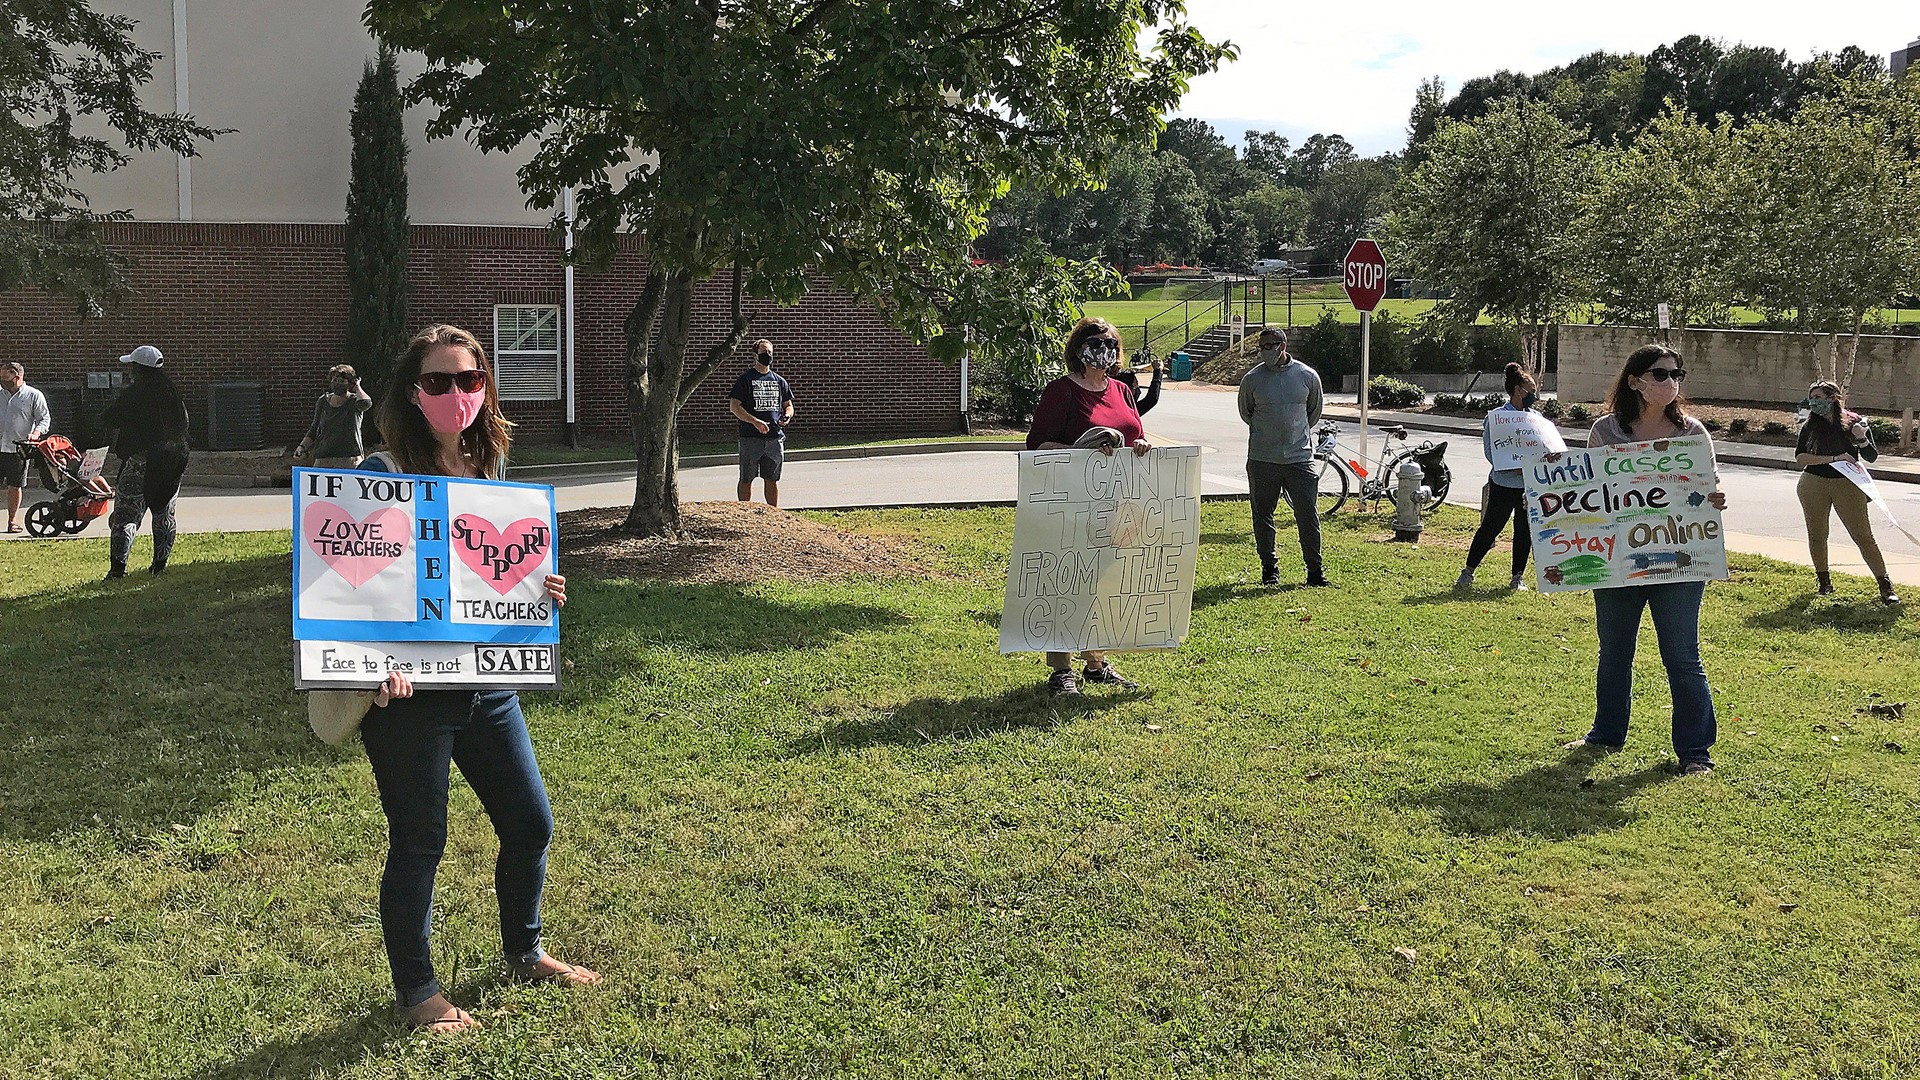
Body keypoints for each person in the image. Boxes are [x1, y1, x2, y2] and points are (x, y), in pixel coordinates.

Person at [354, 324, 600, 1035]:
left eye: (469, 380)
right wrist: (370, 668)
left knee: (530, 822)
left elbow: (491, 577)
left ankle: (524, 950)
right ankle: (419, 992)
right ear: (413, 391)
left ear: (484, 389)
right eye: (439, 381)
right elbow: (349, 584)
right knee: (420, 841)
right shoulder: (381, 470)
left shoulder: (489, 475)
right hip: (407, 697)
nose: (456, 395)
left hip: (486, 682)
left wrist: (538, 592)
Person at [1565, 344, 1727, 775]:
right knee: (1614, 651)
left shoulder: (1693, 433)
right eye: (1661, 374)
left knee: (1682, 656)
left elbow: (1706, 488)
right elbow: (1591, 496)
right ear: (1635, 380)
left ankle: (1695, 752)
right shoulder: (1605, 432)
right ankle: (1606, 733)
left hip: (1682, 561)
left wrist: (1714, 499)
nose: (1671, 382)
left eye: (1677, 373)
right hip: (1620, 561)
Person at [1025, 316, 1154, 695]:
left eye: (1112, 342)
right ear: (1078, 349)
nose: (1106, 350)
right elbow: (1038, 447)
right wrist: (1082, 452)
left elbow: (1136, 434)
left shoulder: (1122, 390)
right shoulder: (1061, 391)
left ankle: (1096, 663)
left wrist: (1141, 447)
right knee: (1067, 583)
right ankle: (1061, 669)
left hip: (1118, 505)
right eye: (1097, 342)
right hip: (1071, 505)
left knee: (1105, 584)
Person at [1794, 381, 1900, 606]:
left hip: (1848, 484)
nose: (1814, 402)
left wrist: (1861, 438)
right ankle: (1824, 582)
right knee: (1817, 534)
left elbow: (1871, 456)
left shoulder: (1854, 422)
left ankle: (1885, 586)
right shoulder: (1809, 426)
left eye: (1819, 397)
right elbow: (1801, 458)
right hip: (1813, 483)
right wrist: (1835, 458)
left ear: (1833, 398)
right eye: (1811, 397)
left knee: (1863, 536)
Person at [1237, 327, 1328, 588]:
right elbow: (1247, 413)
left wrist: (1295, 435)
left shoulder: (1307, 376)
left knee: (1307, 515)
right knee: (1262, 514)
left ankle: (1315, 571)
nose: (1266, 351)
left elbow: (1313, 413)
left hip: (1300, 459)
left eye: (1270, 345)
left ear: (1283, 345)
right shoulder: (1252, 380)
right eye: (1261, 347)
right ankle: (1269, 568)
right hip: (1262, 459)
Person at [100, 346, 189, 578]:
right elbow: (185, 423)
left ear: (138, 368)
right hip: (172, 460)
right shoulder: (172, 391)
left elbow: (109, 418)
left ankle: (117, 570)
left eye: (131, 366)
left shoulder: (135, 394)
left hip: (140, 459)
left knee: (126, 514)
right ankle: (159, 566)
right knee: (165, 513)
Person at [1456, 363, 1540, 591]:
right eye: (1530, 391)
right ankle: (1468, 571)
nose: (1534, 396)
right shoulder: (1497, 418)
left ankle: (1517, 577)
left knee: (1524, 530)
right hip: (1503, 483)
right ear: (1517, 390)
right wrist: (1511, 467)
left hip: (1528, 486)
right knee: (1491, 527)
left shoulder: (1535, 419)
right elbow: (1491, 452)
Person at [728, 339, 794, 506]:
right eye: (764, 352)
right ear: (755, 355)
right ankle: (744, 512)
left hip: (774, 438)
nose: (768, 356)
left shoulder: (779, 381)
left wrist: (787, 415)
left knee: (771, 479)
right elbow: (734, 407)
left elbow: (789, 405)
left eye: (770, 352)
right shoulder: (745, 379)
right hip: (751, 438)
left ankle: (773, 513)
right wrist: (754, 421)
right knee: (746, 478)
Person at [2, 362, 51, 534]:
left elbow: (44, 419)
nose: (3, 382)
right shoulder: (0, 394)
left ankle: (12, 521)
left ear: (18, 377)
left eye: (6, 379)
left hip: (18, 448)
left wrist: (36, 433)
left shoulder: (33, 395)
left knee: (15, 485)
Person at [294, 364, 373, 467]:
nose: (336, 383)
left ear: (349, 383)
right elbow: (314, 428)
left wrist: (357, 386)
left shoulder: (354, 402)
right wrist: (302, 447)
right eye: (334, 379)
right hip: (324, 458)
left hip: (350, 459)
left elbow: (366, 403)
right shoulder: (323, 401)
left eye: (341, 381)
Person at [1114, 352, 1163, 417]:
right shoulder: (1129, 411)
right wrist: (1158, 372)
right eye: (1135, 386)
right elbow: (1151, 399)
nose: (1138, 390)